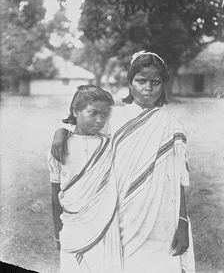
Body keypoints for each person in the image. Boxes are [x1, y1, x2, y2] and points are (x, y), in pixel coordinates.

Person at [51, 51, 195, 273]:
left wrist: (182, 222)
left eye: (155, 82)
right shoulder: (114, 117)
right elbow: (82, 127)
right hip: (121, 212)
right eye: (141, 81)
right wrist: (61, 132)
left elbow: (179, 179)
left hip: (161, 216)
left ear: (163, 86)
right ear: (130, 83)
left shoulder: (172, 126)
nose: (148, 87)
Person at [48, 85, 123, 273]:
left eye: (104, 115)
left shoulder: (110, 144)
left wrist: (61, 130)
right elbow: (55, 195)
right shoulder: (58, 150)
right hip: (73, 227)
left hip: (106, 227)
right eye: (93, 113)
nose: (100, 120)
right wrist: (58, 235)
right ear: (76, 110)